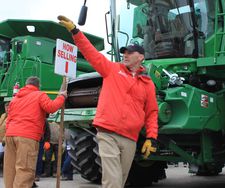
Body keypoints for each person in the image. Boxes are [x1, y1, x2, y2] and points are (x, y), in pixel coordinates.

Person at [58, 15, 159, 188]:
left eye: (130, 53)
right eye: (124, 52)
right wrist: (75, 31)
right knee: (112, 181)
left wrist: (151, 137)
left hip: (130, 139)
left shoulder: (147, 84)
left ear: (141, 57)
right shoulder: (112, 70)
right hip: (108, 134)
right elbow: (91, 53)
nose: (125, 55)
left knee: (121, 179)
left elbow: (152, 112)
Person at [3, 76, 67, 188]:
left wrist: (7, 134)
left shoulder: (16, 98)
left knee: (10, 169)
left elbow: (9, 118)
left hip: (10, 135)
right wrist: (62, 96)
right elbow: (51, 107)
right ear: (38, 86)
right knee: (24, 169)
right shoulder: (39, 95)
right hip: (27, 137)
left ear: (26, 84)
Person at [0, 102, 8, 170]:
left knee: (5, 156)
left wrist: (5, 138)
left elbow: (10, 128)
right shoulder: (3, 115)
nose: (7, 109)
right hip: (0, 139)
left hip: (6, 140)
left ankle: (5, 169)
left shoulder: (12, 116)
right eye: (6, 107)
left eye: (8, 107)